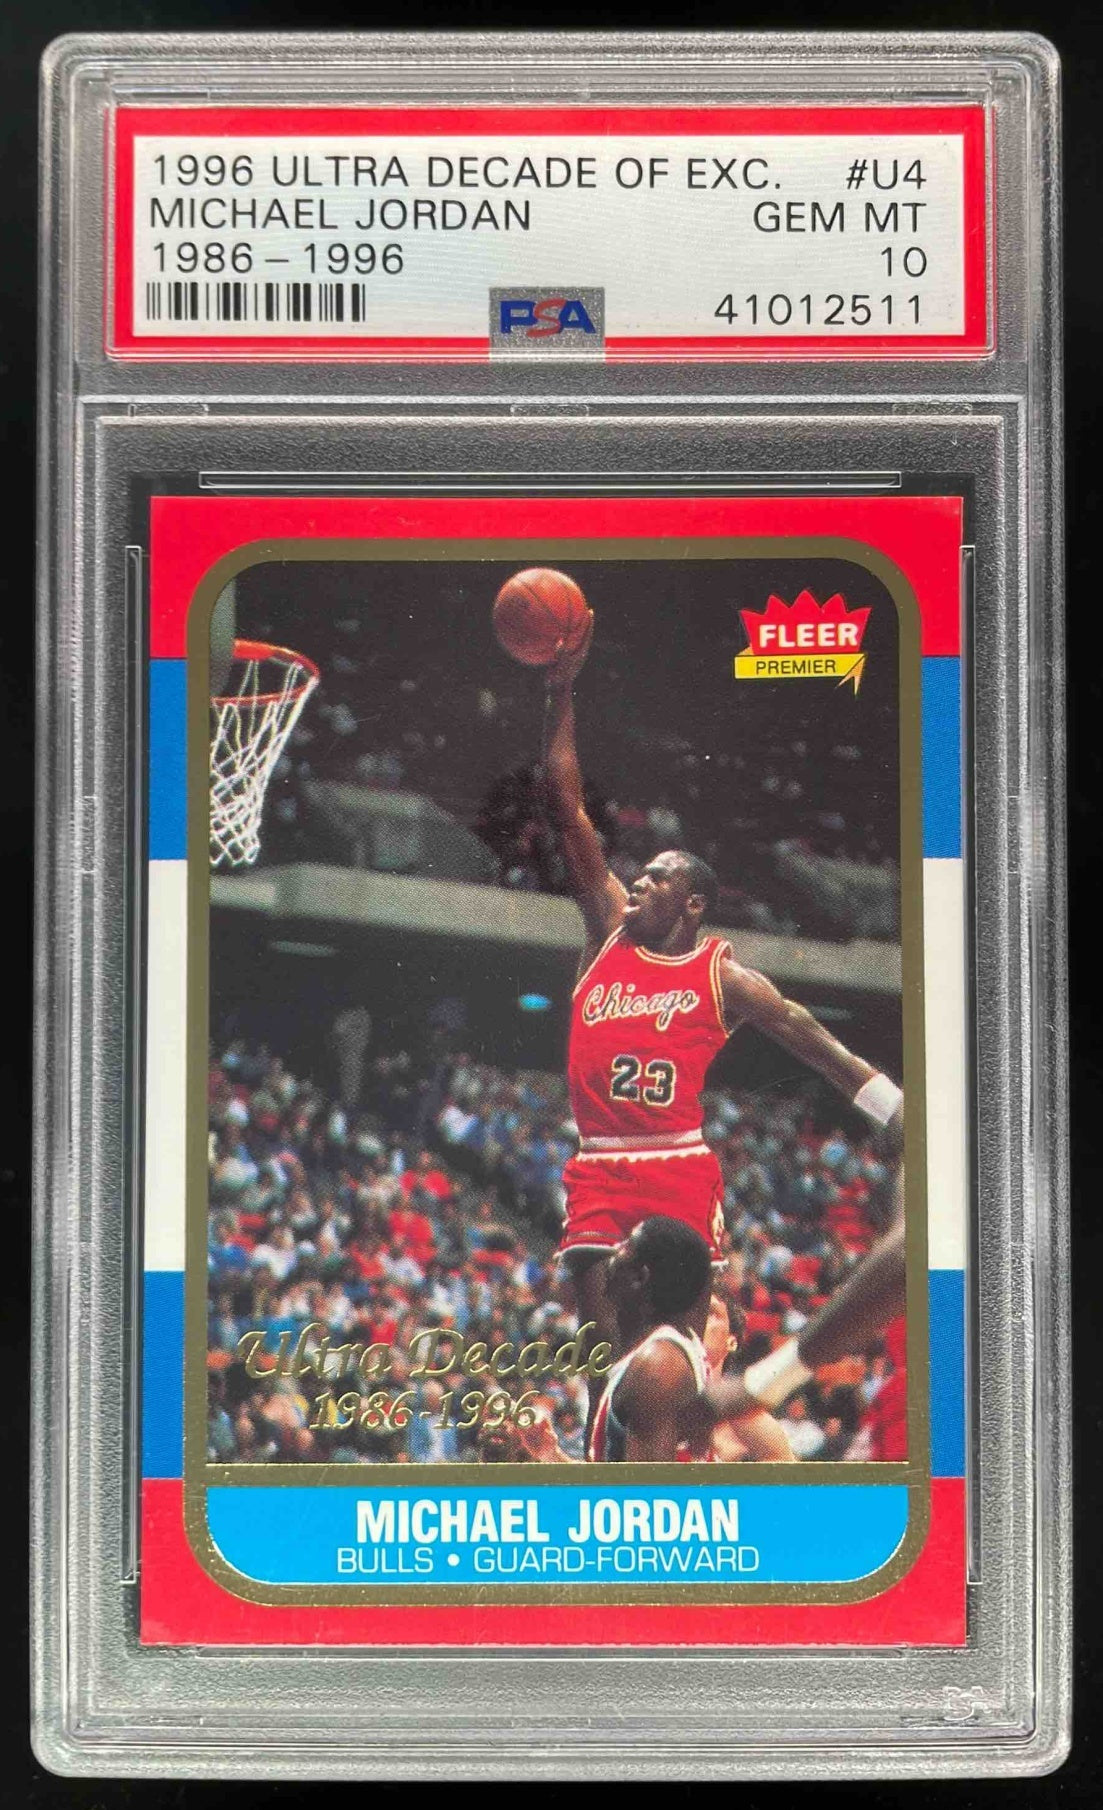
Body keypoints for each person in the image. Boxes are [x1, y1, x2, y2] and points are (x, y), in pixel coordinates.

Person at [541, 617, 905, 1396]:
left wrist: (887, 1105)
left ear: (694, 903)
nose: (639, 882)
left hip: (677, 1164)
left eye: (659, 878)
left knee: (679, 1365)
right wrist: (559, 694)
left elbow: (803, 1034)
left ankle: (695, 1448)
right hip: (599, 1162)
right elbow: (566, 811)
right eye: (640, 873)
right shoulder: (606, 934)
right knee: (605, 1367)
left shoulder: (720, 974)